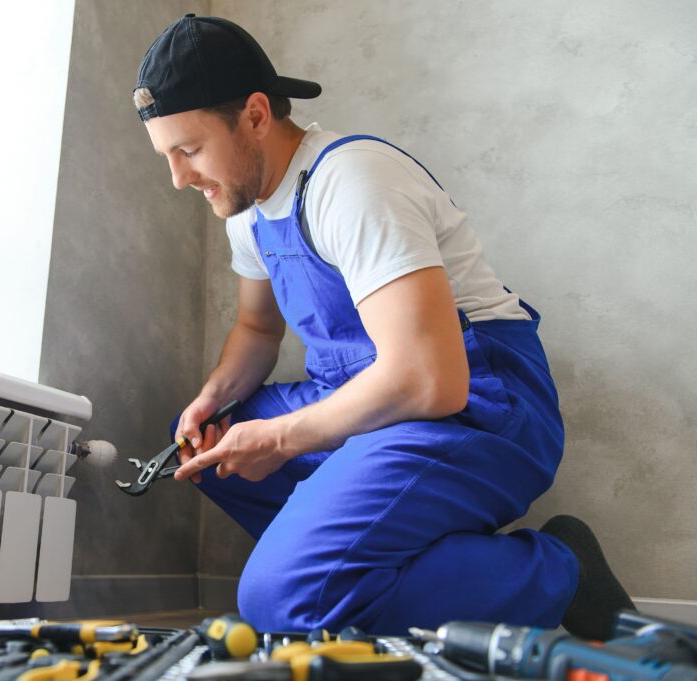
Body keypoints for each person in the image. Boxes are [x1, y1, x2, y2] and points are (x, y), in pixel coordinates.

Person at [134, 14, 634, 638]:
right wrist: (215, 398)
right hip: (371, 396)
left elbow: (430, 381)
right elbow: (258, 333)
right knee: (214, 443)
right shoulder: (246, 208)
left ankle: (561, 574)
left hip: (475, 398)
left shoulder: (351, 182)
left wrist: (283, 439)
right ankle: (376, 560)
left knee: (281, 603)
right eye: (167, 156)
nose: (179, 178)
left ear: (256, 115)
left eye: (190, 150)